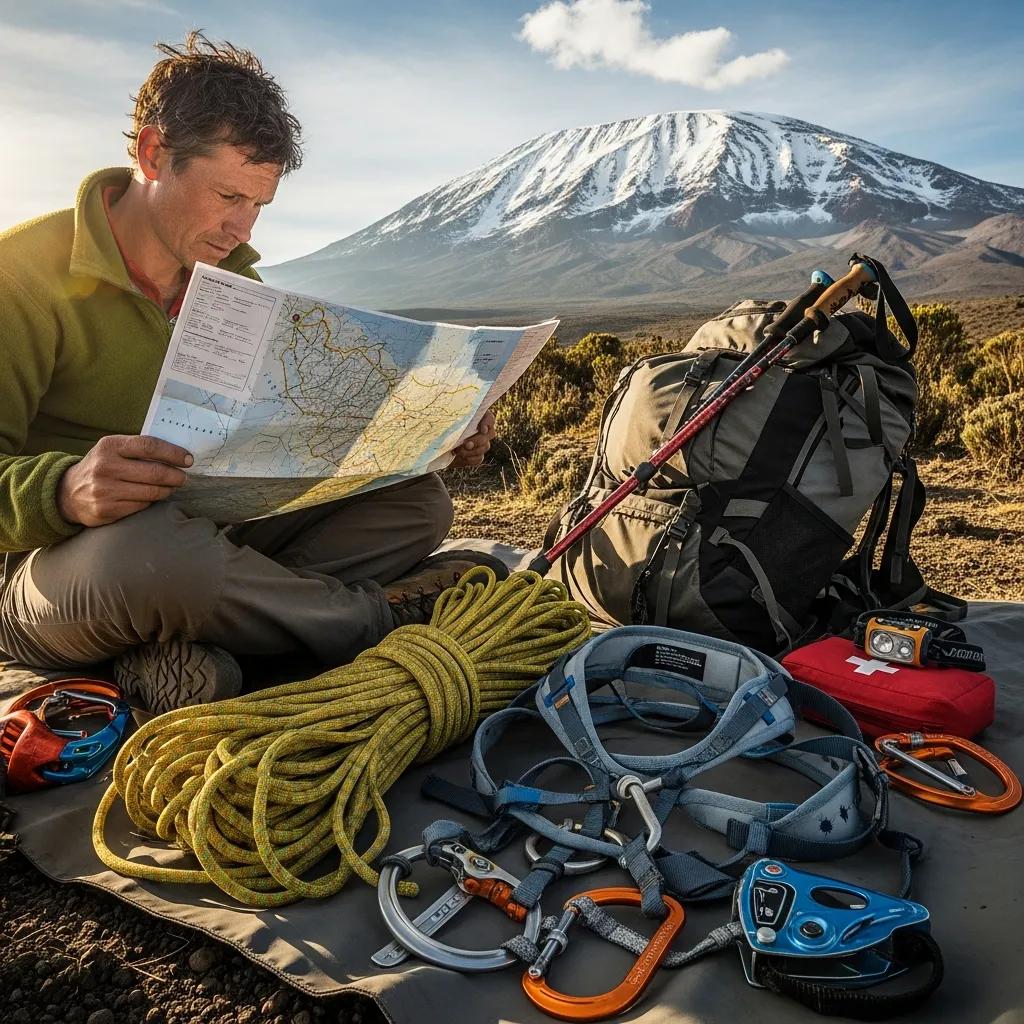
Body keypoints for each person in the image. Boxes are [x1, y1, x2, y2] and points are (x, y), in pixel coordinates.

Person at [0, 33, 507, 714]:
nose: (242, 226)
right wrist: (62, 489)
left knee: (418, 503)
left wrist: (434, 434)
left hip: (206, 535)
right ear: (154, 154)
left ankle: (199, 652)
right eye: (228, 195)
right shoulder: (19, 276)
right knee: (152, 558)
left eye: (259, 204)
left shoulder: (236, 283)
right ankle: (374, 626)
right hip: (53, 573)